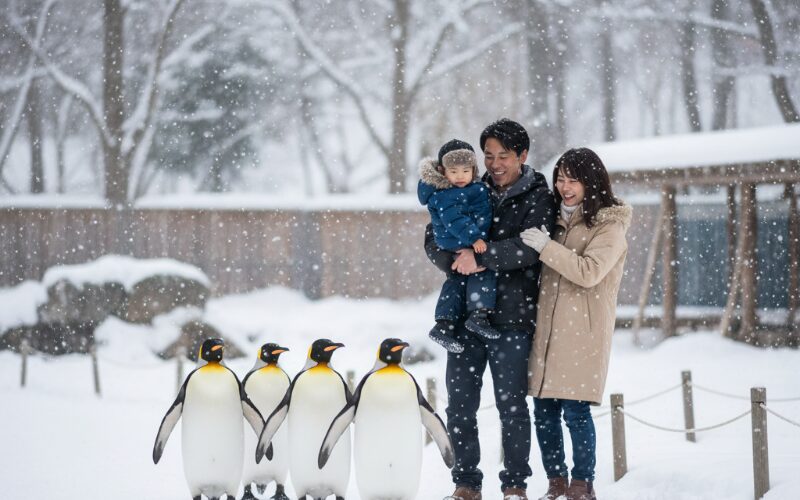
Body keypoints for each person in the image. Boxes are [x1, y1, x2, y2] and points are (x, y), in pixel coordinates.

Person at [425, 119, 557, 500]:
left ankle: (515, 484)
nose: (495, 163)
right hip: (467, 320)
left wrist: (483, 259)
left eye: (503, 156)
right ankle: (466, 483)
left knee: (512, 407)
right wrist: (454, 260)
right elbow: (433, 235)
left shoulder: (538, 197)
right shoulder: (467, 185)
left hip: (513, 318)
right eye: (489, 156)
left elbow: (532, 248)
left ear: (522, 156)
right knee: (459, 406)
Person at [520, 148, 632, 500]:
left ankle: (582, 484)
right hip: (547, 332)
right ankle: (556, 482)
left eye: (573, 179)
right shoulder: (553, 218)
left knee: (576, 412)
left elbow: (589, 272)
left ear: (591, 181)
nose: (564, 187)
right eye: (560, 178)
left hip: (582, 334)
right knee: (544, 412)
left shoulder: (609, 226)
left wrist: (546, 247)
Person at [418, 139, 501, 354]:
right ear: (442, 171)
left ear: (474, 170)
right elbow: (455, 220)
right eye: (453, 171)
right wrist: (474, 239)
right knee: (483, 271)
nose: (460, 176)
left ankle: (444, 324)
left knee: (455, 281)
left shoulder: (466, 188)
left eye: (466, 171)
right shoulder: (447, 193)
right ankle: (479, 315)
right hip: (460, 239)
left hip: (458, 240)